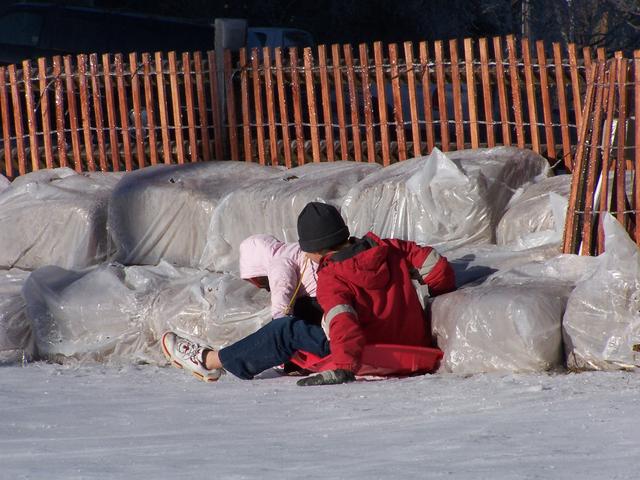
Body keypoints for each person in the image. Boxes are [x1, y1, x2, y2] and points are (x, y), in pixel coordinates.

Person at [162, 202, 456, 385]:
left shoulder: (332, 277)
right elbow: (438, 268)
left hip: (368, 354)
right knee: (308, 314)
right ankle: (286, 361)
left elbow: (344, 324)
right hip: (415, 347)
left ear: (313, 251)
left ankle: (210, 361)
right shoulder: (389, 248)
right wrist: (431, 301)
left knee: (284, 330)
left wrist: (341, 369)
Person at [238, 234, 320, 322]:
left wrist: (279, 319)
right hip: (325, 287)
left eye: (257, 279)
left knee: (295, 312)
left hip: (316, 300)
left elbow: (282, 289)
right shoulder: (292, 250)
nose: (258, 286)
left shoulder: (278, 263)